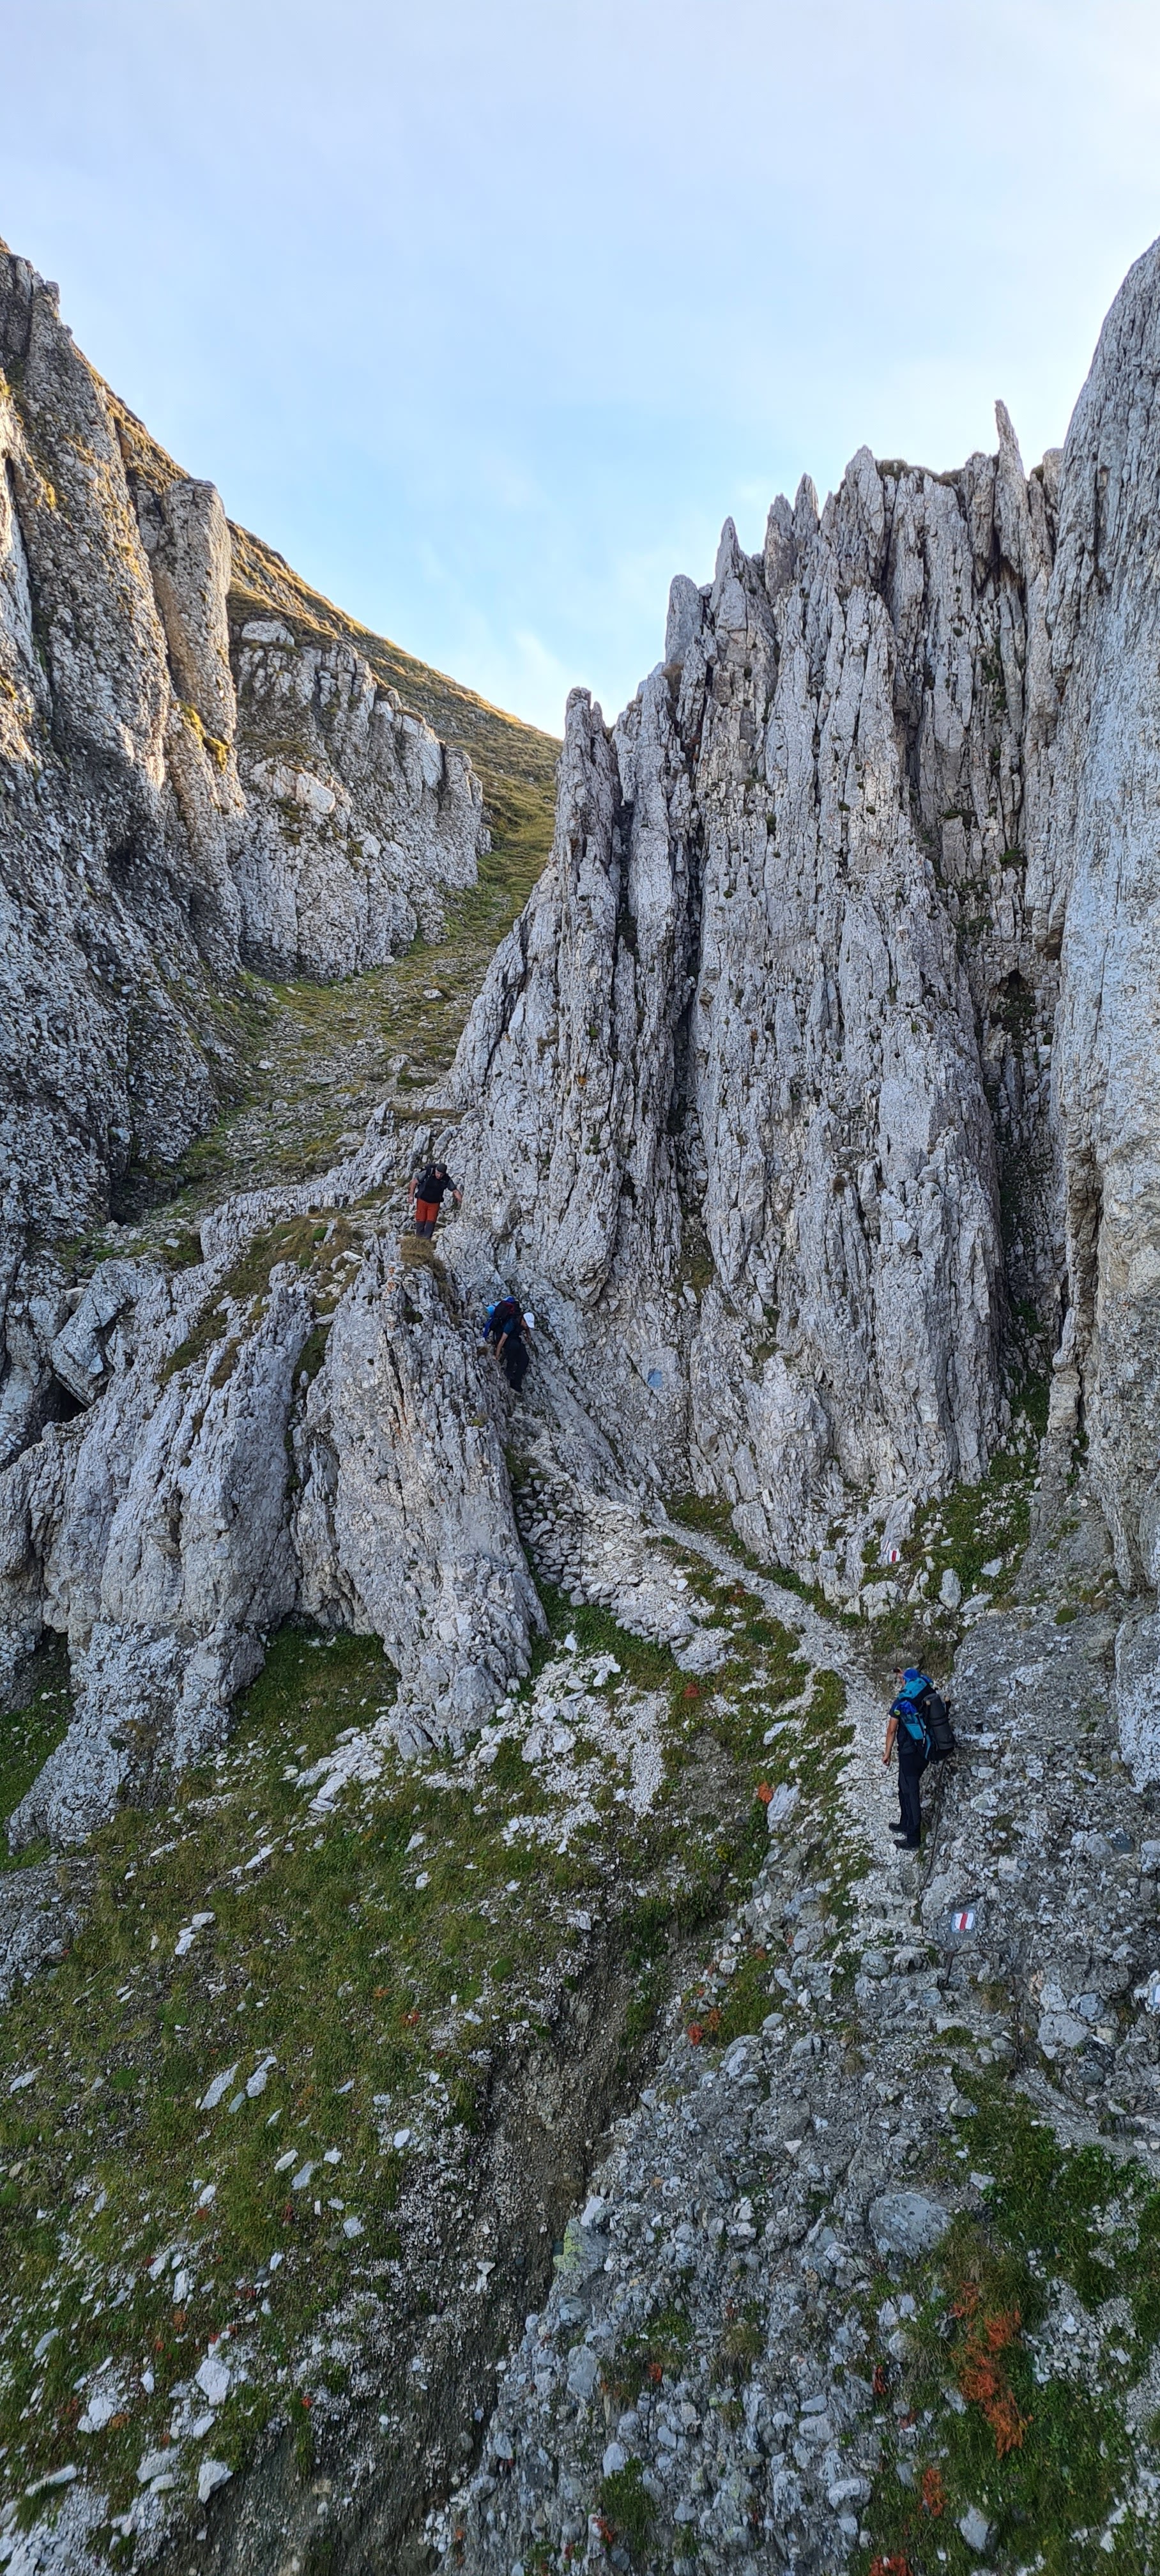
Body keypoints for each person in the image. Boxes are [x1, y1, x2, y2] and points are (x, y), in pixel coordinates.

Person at [883, 1665, 939, 1851]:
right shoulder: (925, 1690)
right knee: (903, 1786)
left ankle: (913, 1838)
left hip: (908, 1752)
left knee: (911, 1791)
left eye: (902, 1680)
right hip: (925, 1749)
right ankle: (905, 1822)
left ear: (906, 1682)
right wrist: (902, 1673)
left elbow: (892, 1730)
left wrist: (887, 1753)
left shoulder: (902, 1700)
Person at [485, 1295, 534, 1394]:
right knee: (514, 1346)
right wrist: (497, 1355)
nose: (527, 1327)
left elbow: (527, 1329)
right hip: (505, 1338)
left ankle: (516, 1383)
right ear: (523, 1320)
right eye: (527, 1325)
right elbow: (503, 1340)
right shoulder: (512, 1323)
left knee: (525, 1359)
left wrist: (528, 1336)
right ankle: (509, 1370)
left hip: (514, 1339)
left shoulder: (523, 1323)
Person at [408, 1161, 462, 1239]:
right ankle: (419, 1239)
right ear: (435, 1170)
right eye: (438, 1173)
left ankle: (426, 1240)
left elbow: (455, 1191)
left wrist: (462, 1201)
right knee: (421, 1219)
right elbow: (414, 1182)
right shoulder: (428, 1173)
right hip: (422, 1200)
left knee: (431, 1220)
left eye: (441, 1174)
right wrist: (411, 1196)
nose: (439, 1176)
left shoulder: (446, 1179)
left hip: (435, 1203)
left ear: (444, 1174)